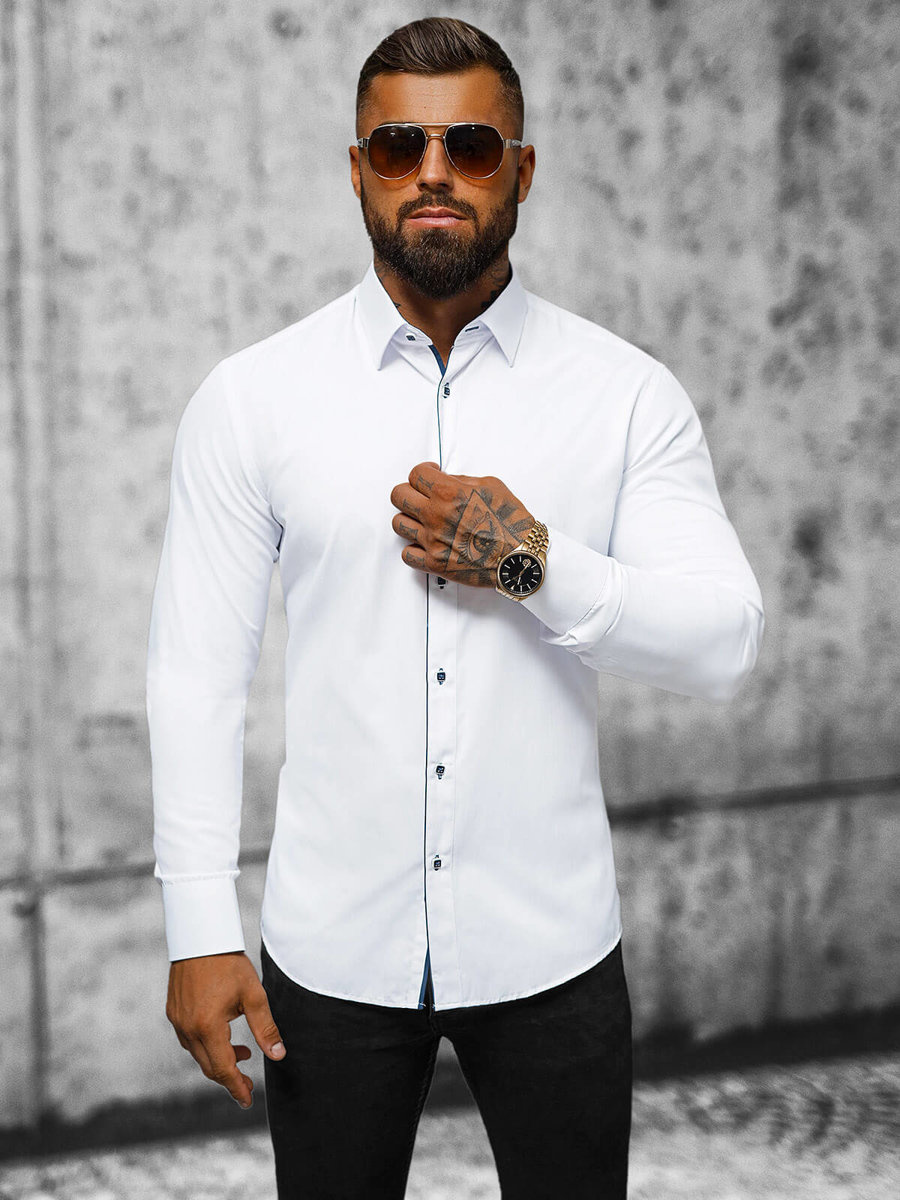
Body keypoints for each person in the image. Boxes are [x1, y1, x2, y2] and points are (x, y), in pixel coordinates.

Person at [146, 15, 765, 1200]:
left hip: (551, 947)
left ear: (522, 170)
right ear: (359, 170)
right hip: (330, 949)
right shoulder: (252, 400)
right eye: (400, 147)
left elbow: (725, 642)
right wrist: (198, 929)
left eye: (471, 146)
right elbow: (197, 675)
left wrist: (533, 564)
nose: (433, 172)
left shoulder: (626, 396)